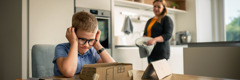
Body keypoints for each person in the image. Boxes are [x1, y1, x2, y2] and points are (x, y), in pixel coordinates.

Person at [52, 11, 115, 77]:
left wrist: (97, 44)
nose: (86, 45)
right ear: (73, 33)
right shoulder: (61, 48)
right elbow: (69, 72)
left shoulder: (92, 50)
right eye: (82, 39)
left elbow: (113, 68)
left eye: (91, 40)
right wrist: (74, 43)